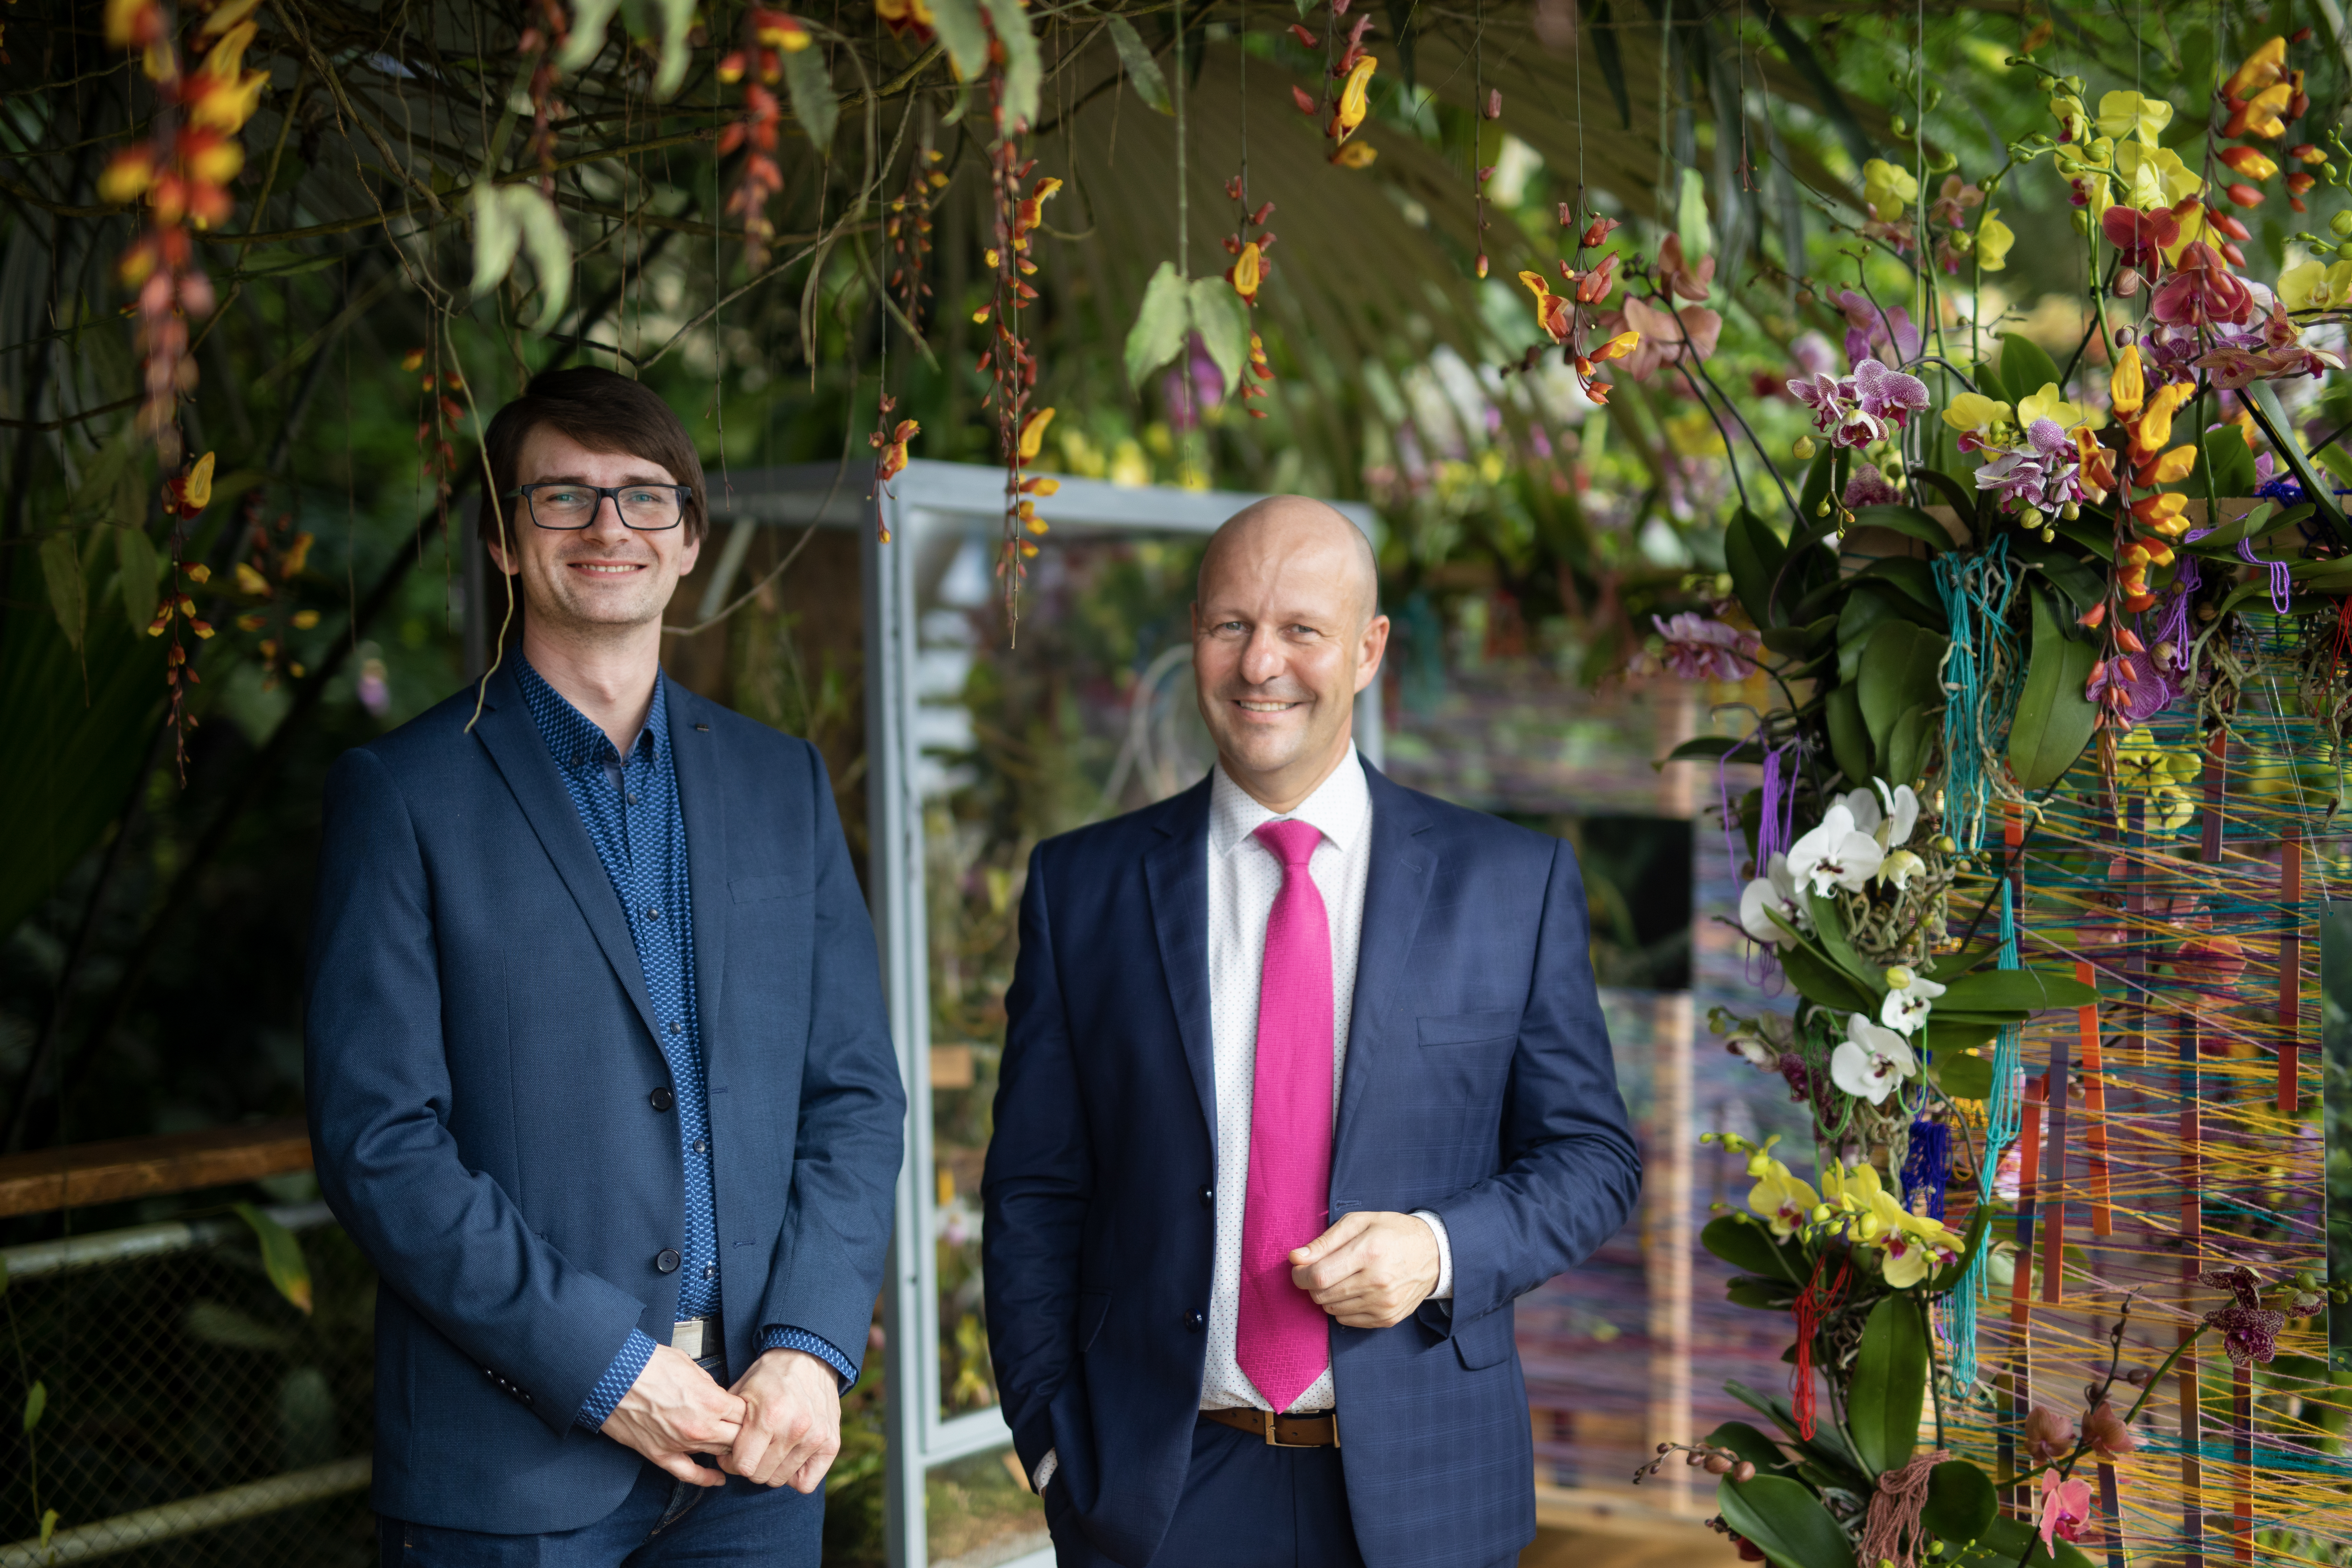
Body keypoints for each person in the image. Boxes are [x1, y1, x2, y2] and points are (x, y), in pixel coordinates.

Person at [305, 367, 904, 1566]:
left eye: (642, 498)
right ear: (504, 540)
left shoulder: (782, 784)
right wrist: (612, 1369)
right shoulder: (404, 795)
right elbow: (381, 1141)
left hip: (754, 1459)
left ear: (688, 542)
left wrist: (810, 1345)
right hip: (511, 1473)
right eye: (563, 498)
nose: (607, 528)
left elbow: (853, 1095)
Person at [981, 496, 1642, 1568]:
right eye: (1230, 625)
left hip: (1427, 1487)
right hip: (1159, 1492)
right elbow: (1034, 1190)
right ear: (1194, 633)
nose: (1260, 665)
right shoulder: (1083, 888)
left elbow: (1593, 1160)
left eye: (1302, 630)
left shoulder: (1509, 886)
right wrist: (1056, 1449)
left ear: (1369, 650)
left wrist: (1436, 1251)